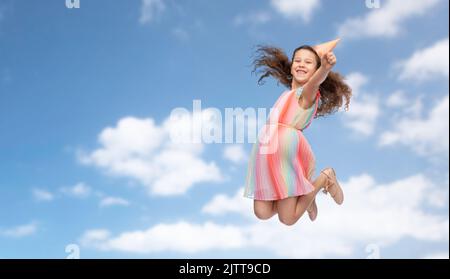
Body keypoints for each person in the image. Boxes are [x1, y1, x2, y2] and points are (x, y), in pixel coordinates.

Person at [244, 39, 352, 226]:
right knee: (262, 212)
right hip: (268, 150)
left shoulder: (307, 93)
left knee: (287, 218)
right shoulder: (289, 93)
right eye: (298, 60)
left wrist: (324, 69)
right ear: (291, 65)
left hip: (285, 149)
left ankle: (325, 177)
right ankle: (306, 197)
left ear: (315, 70)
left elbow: (315, 82)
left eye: (308, 62)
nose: (302, 64)